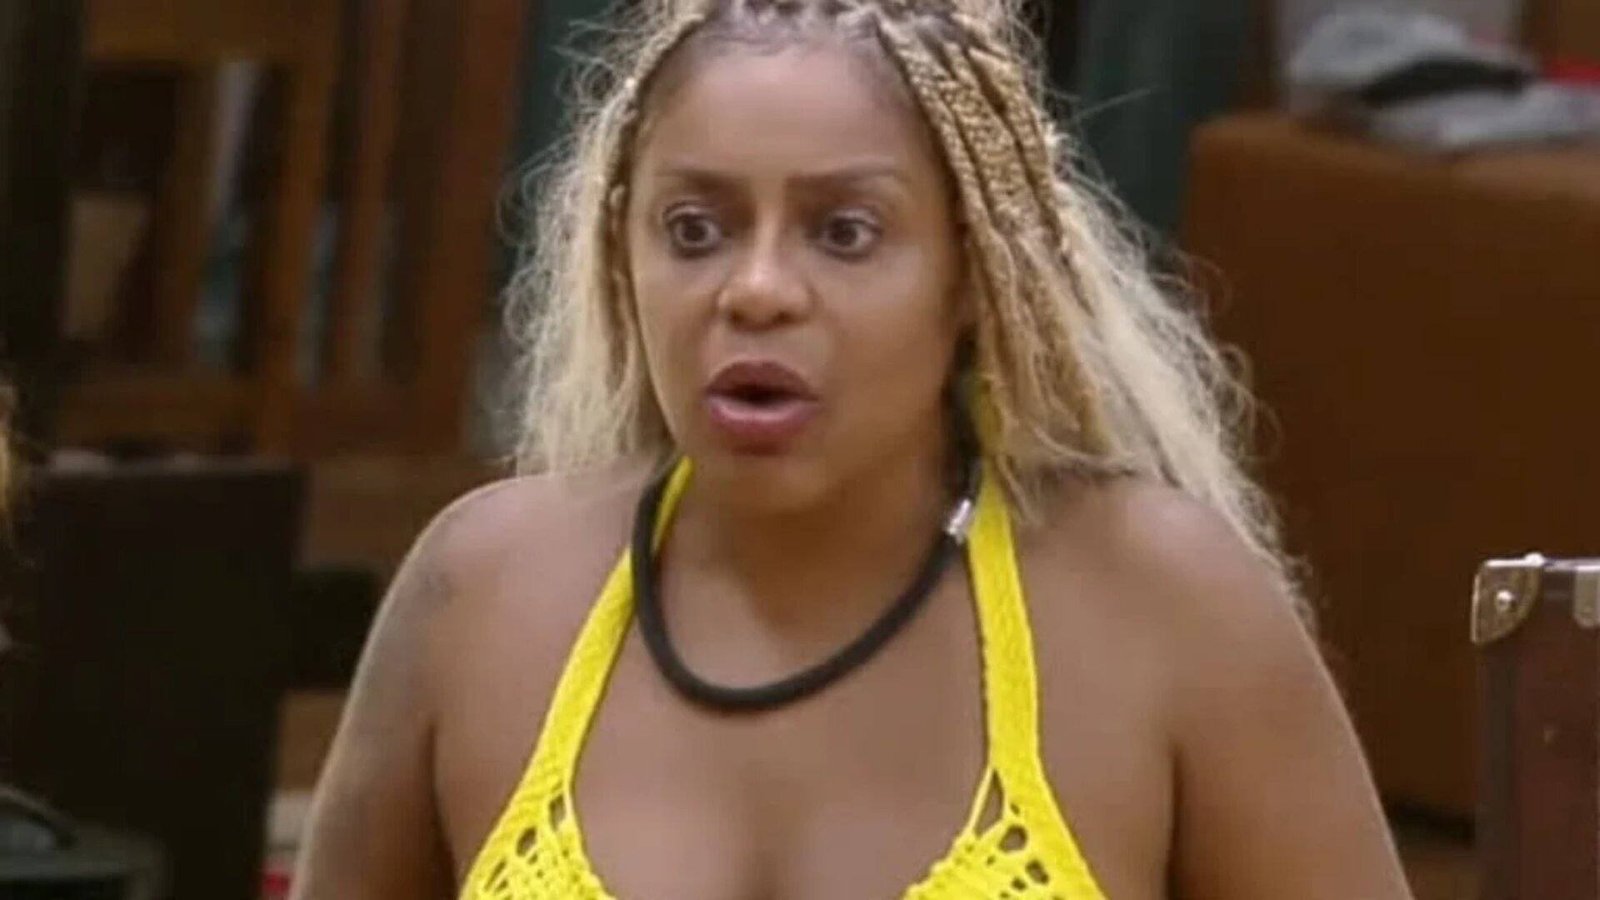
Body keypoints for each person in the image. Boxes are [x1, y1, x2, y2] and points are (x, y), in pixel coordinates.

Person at [293, 0, 1413, 897]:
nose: (757, 290)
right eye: (695, 229)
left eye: (844, 232)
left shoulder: (1163, 603)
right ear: (619, 249)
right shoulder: (480, 589)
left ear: (974, 274)